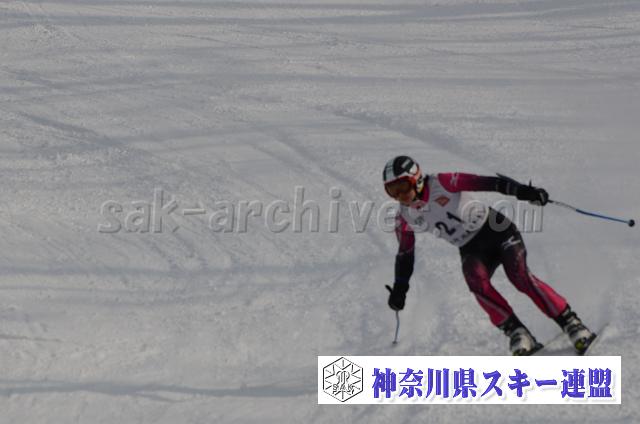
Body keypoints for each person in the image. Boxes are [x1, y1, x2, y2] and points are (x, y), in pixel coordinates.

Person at [382, 155, 595, 355]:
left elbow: (485, 183)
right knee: (476, 283)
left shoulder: (442, 182)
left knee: (519, 276)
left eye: (403, 187)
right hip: (470, 248)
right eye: (393, 191)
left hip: (497, 231)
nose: (400, 196)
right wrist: (400, 288)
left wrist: (522, 191)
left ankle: (570, 322)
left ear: (417, 179)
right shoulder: (405, 216)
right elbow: (405, 253)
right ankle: (517, 332)